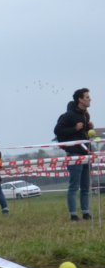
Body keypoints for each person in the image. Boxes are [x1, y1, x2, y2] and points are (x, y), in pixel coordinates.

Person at [54, 88, 94, 221]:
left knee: (85, 186)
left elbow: (82, 134)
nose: (90, 99)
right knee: (74, 186)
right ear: (80, 100)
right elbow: (57, 131)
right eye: (87, 97)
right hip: (74, 154)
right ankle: (73, 214)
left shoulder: (86, 115)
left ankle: (86, 212)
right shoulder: (68, 115)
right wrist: (74, 128)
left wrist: (88, 128)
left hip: (86, 153)